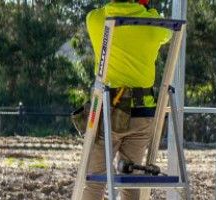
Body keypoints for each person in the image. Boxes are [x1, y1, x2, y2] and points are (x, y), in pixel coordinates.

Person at [77, 0, 172, 199]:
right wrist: (149, 11)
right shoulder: (153, 23)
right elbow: (168, 33)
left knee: (95, 182)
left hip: (109, 112)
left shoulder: (96, 19)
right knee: (131, 182)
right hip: (142, 113)